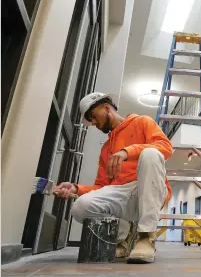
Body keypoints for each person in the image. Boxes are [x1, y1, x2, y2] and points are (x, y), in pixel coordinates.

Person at [54, 92, 172, 264]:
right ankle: (123, 238)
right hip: (123, 193)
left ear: (107, 108)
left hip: (149, 188)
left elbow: (165, 147)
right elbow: (102, 186)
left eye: (93, 117)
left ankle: (146, 237)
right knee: (80, 206)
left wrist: (127, 151)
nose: (93, 123)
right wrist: (75, 188)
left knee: (151, 154)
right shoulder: (106, 149)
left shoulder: (142, 122)